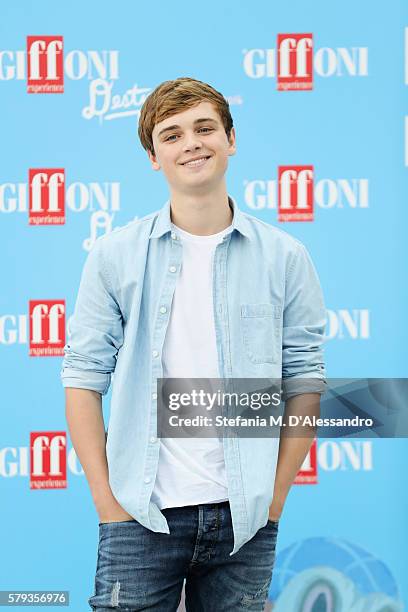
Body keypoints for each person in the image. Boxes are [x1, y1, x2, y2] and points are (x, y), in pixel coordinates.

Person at [61, 77, 327, 611]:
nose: (192, 143)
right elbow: (83, 378)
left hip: (244, 520)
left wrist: (271, 501)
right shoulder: (114, 255)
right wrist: (107, 502)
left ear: (231, 139)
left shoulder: (285, 255)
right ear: (154, 157)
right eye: (172, 134)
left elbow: (304, 381)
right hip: (138, 516)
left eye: (205, 128)